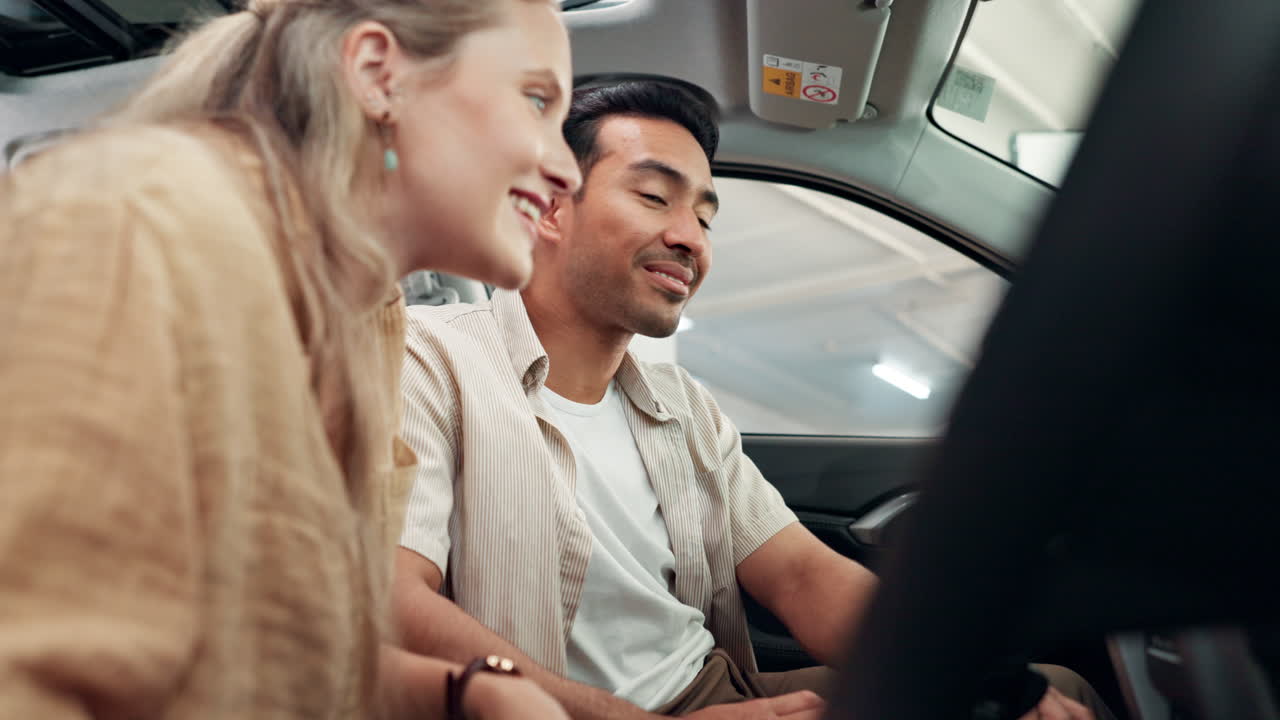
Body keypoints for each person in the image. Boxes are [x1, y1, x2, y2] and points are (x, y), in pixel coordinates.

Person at [394, 81, 1118, 720]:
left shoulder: (683, 407)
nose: (689, 239)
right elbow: (395, 601)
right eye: (654, 197)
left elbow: (801, 574)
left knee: (1054, 693)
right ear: (551, 207)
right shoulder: (429, 359)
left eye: (705, 217)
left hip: (716, 691)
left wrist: (982, 680)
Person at [0, 0, 583, 718]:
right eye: (535, 100)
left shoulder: (366, 317)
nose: (567, 172)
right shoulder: (144, 223)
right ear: (377, 75)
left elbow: (275, 655)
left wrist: (467, 691)